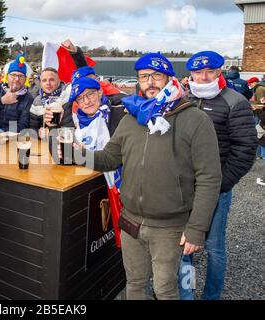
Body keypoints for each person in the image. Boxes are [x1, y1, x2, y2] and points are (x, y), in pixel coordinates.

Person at [76, 53, 222, 300]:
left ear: (168, 79)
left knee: (164, 290)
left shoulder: (194, 119)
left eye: (157, 76)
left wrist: (197, 228)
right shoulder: (131, 117)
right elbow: (109, 159)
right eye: (144, 76)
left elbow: (209, 177)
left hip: (169, 226)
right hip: (131, 220)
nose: (150, 82)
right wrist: (76, 154)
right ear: (138, 81)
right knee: (134, 283)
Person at [178, 51, 258, 300]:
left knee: (214, 248)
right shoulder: (184, 99)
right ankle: (186, 293)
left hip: (215, 190)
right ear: (190, 74)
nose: (203, 77)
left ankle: (211, 296)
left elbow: (245, 150)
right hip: (184, 190)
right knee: (184, 247)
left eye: (209, 72)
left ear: (219, 72)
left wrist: (220, 185)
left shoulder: (235, 101)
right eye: (198, 73)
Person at [0, 53, 34, 132]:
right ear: (7, 77)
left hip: (11, 139)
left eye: (21, 76)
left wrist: (1, 132)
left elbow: (23, 124)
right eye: (13, 75)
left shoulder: (28, 97)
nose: (17, 79)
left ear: (25, 79)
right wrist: (1, 100)